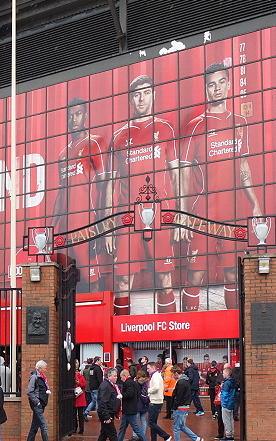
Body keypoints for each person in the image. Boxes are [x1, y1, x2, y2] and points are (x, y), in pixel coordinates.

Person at [180, 61, 263, 310]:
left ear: (228, 84)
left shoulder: (240, 123)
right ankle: (186, 335)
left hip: (232, 214)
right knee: (195, 275)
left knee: (232, 275)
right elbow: (184, 172)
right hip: (203, 213)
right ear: (205, 89)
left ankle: (235, 336)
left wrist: (255, 204)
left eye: (221, 82)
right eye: (211, 85)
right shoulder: (194, 126)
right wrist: (183, 214)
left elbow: (243, 167)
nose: (216, 89)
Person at [102, 74, 182, 315]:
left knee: (164, 279)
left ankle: (171, 342)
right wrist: (108, 225)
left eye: (146, 93)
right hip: (127, 218)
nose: (142, 99)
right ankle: (121, 349)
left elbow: (177, 176)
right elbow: (110, 185)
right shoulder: (119, 137)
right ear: (130, 100)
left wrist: (179, 216)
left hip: (159, 214)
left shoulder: (165, 128)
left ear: (154, 95)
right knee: (122, 282)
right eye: (137, 95)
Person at [50, 97, 112, 291]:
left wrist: (103, 228)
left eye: (77, 114)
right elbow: (62, 193)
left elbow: (105, 187)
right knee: (70, 287)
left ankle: (96, 321)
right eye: (70, 115)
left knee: (93, 283)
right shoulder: (62, 155)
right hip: (67, 232)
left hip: (88, 229)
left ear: (86, 115)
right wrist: (51, 229)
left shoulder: (96, 143)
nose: (74, 119)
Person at [92, 367, 132, 441]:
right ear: (109, 376)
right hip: (106, 414)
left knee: (104, 434)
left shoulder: (110, 385)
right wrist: (106, 416)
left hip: (109, 413)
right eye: (114, 376)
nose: (116, 378)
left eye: (116, 376)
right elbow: (103, 403)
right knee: (112, 434)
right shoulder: (106, 386)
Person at [111, 369, 154, 441]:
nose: (121, 379)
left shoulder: (128, 383)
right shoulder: (133, 382)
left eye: (121, 377)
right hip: (129, 410)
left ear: (124, 376)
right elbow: (136, 394)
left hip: (129, 410)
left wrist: (121, 395)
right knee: (123, 428)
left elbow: (130, 394)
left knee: (136, 428)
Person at [166, 366, 204, 441]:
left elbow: (178, 396)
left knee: (176, 427)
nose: (172, 376)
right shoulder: (185, 381)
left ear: (176, 373)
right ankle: (197, 439)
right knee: (181, 426)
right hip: (184, 406)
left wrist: (174, 406)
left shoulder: (181, 382)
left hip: (180, 407)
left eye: (173, 374)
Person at [25, 360, 58, 441]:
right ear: (39, 369)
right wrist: (37, 402)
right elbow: (29, 391)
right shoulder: (35, 377)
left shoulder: (42, 378)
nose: (46, 370)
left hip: (41, 404)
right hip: (37, 405)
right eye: (45, 368)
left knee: (34, 426)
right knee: (43, 426)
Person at [145, 362, 172, 441]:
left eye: (148, 368)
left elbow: (156, 387)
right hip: (156, 401)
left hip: (155, 402)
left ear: (153, 368)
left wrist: (148, 391)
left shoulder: (156, 376)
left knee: (151, 423)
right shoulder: (156, 375)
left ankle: (166, 436)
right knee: (153, 423)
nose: (147, 370)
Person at [219, 366, 236, 441]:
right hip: (231, 402)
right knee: (230, 419)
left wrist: (224, 404)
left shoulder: (226, 383)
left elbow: (225, 394)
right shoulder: (232, 382)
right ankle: (231, 434)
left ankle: (228, 435)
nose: (223, 374)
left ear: (228, 373)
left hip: (226, 403)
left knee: (226, 420)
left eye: (224, 373)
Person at [74, 365, 88, 434]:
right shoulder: (72, 377)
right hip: (74, 396)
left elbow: (84, 385)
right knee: (73, 414)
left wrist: (78, 382)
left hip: (80, 396)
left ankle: (81, 428)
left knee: (80, 414)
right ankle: (74, 427)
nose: (77, 372)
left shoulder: (81, 377)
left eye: (78, 371)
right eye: (76, 371)